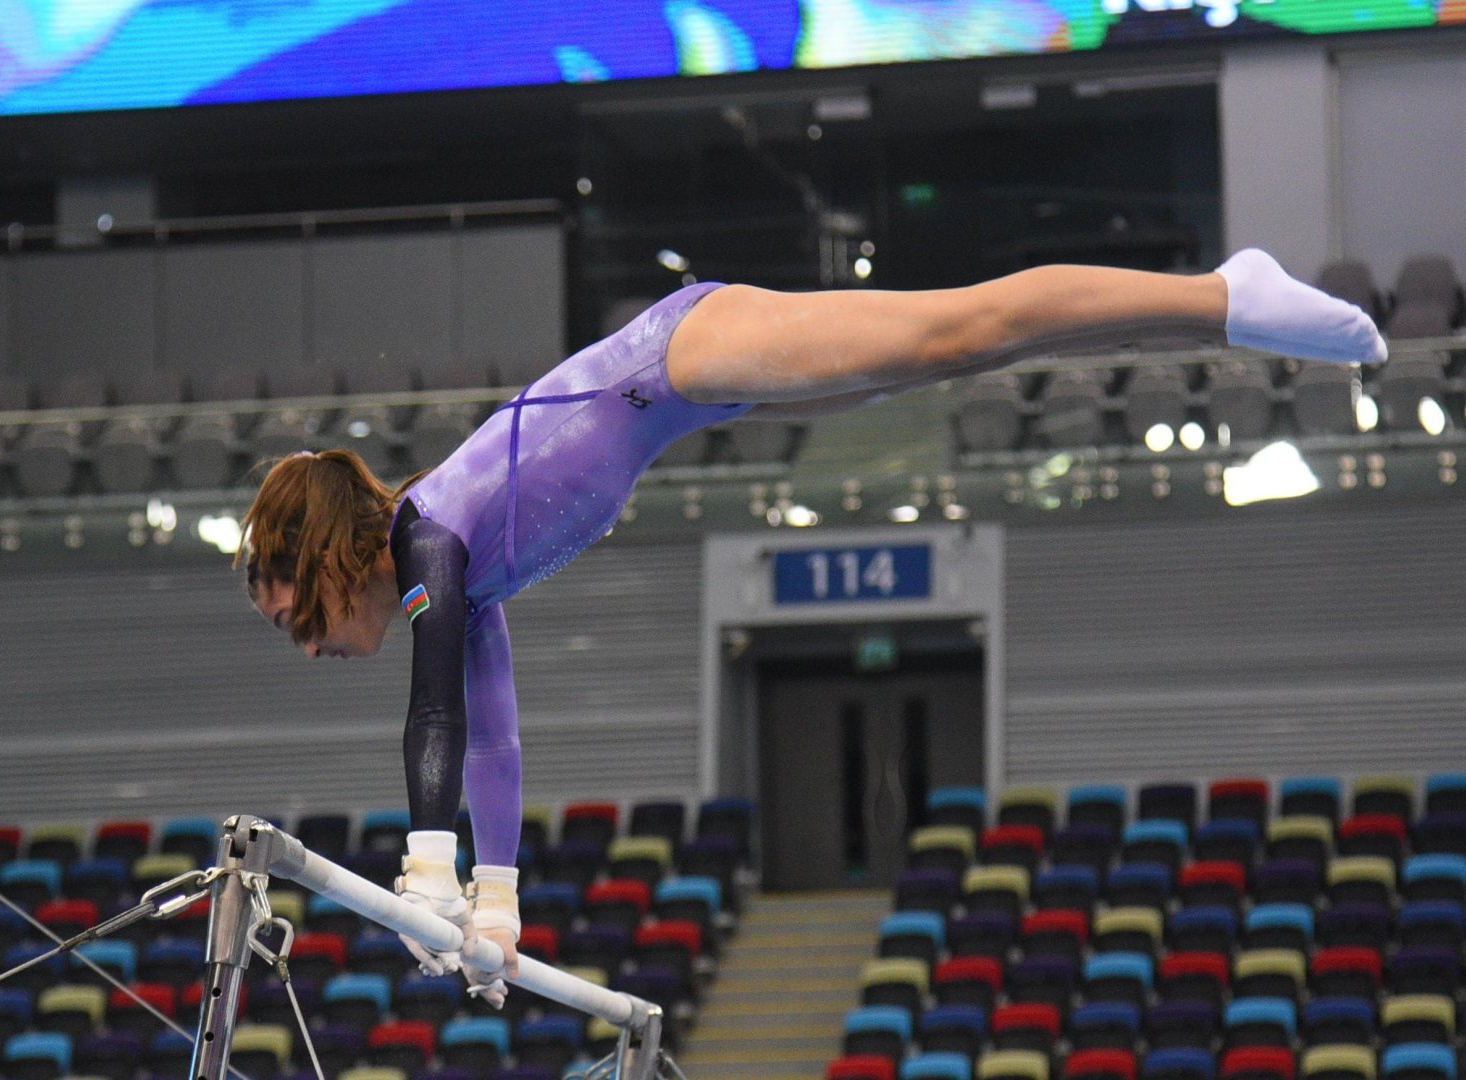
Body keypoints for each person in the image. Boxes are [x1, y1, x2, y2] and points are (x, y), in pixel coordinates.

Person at [235, 249, 1384, 1004]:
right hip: (691, 384)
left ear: (333, 559)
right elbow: (487, 736)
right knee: (977, 344)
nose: (313, 650)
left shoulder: (427, 540)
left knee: (959, 329)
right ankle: (1203, 309)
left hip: (678, 357)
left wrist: (427, 876)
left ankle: (1225, 297)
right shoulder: (453, 572)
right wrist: (495, 907)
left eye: (300, 623)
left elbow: (431, 711)